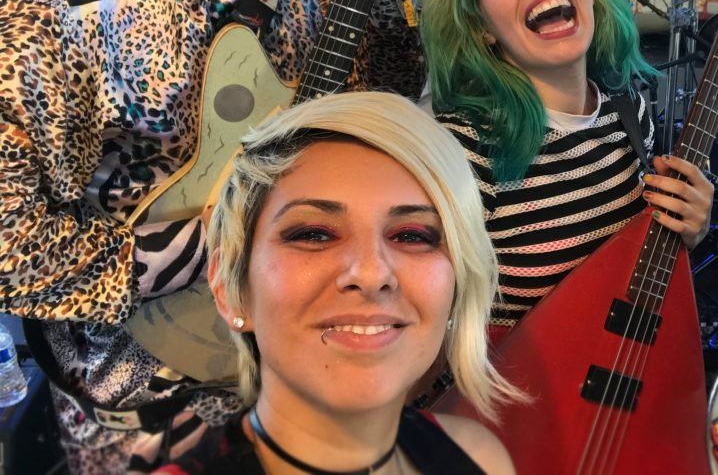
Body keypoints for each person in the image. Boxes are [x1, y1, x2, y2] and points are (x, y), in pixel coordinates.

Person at [0, 0, 435, 472]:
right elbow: (8, 246)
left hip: (296, 377)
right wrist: (208, 244)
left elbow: (376, 102)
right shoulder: (45, 4)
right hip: (140, 425)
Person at [154, 91, 518, 474]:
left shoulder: (480, 457)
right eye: (314, 234)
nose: (372, 274)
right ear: (230, 289)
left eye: (412, 236)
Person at [419, 0, 713, 329]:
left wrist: (688, 230)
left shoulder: (628, 111)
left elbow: (630, 274)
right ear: (481, 27)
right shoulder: (464, 151)